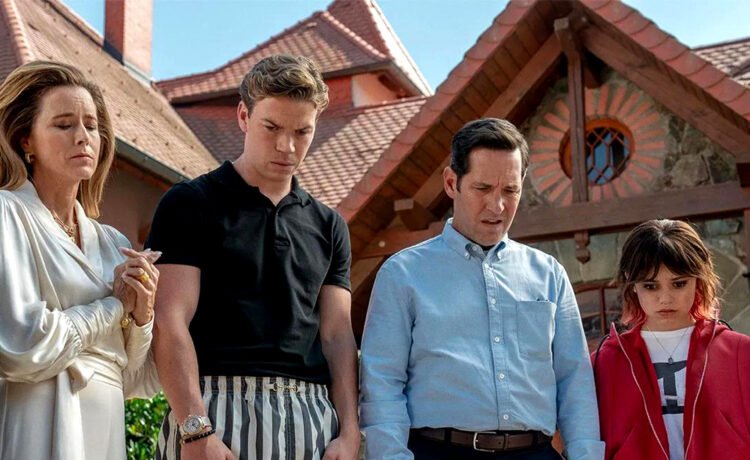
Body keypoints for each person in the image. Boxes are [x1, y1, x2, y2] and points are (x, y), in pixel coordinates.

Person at [147, 54, 359, 460]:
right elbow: (169, 320)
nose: (287, 146)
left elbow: (337, 336)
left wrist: (349, 431)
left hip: (312, 420)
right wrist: (195, 429)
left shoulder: (330, 225)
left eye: (302, 131)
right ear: (244, 116)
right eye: (272, 127)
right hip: (213, 414)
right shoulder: (190, 203)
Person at [360, 118, 604, 460]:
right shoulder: (402, 274)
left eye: (510, 190)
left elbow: (574, 380)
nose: (497, 205)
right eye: (483, 188)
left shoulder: (550, 274)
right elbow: (382, 383)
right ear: (451, 182)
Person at [0, 60, 161, 459]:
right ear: (26, 140)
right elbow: (22, 346)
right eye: (64, 124)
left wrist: (142, 315)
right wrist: (114, 306)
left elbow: (135, 380)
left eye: (91, 125)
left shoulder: (113, 244)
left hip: (105, 427)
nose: (82, 137)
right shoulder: (7, 213)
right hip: (37, 419)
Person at [592, 219, 750, 460]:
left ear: (698, 280)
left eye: (678, 284)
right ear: (632, 283)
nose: (665, 298)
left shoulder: (740, 353)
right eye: (650, 286)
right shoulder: (605, 362)